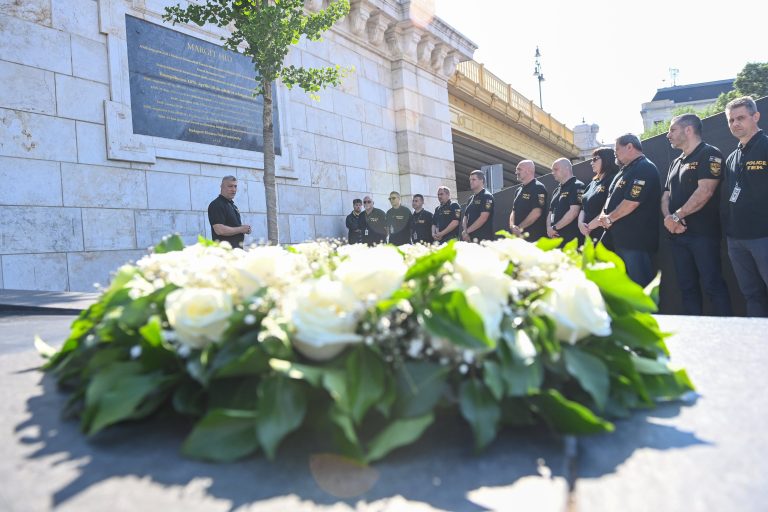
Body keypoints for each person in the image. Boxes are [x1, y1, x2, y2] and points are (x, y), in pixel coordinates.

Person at [662, 113, 732, 316]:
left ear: (688, 130)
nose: (668, 135)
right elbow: (665, 196)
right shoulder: (675, 162)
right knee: (687, 288)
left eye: (672, 130)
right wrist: (669, 219)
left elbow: (705, 191)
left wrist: (676, 216)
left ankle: (727, 335)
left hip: (703, 235)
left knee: (713, 286)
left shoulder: (710, 154)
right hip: (677, 236)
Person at [589, 134, 661, 287]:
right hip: (615, 239)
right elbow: (609, 200)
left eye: (617, 149)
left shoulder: (644, 167)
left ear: (629, 147)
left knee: (638, 288)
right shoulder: (623, 172)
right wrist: (603, 216)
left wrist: (609, 219)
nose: (615, 152)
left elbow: (631, 202)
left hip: (635, 242)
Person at [723, 96, 768, 317]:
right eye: (731, 120)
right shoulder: (732, 157)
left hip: (763, 236)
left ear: (756, 116)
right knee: (751, 294)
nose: (735, 124)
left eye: (740, 118)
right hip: (737, 239)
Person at [579, 148, 619, 249]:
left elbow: (609, 207)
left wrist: (590, 226)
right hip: (587, 235)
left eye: (595, 159)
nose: (591, 162)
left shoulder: (613, 179)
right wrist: (580, 224)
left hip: (604, 235)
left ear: (606, 159)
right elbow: (583, 207)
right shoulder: (592, 183)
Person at [547, 158, 584, 246]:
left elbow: (574, 212)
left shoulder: (578, 186)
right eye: (552, 170)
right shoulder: (556, 190)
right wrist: (549, 229)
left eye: (555, 169)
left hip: (570, 240)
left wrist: (554, 228)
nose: (553, 172)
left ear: (567, 168)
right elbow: (550, 212)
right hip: (554, 238)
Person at [207, 175, 251, 248]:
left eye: (235, 186)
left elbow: (234, 226)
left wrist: (246, 229)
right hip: (224, 254)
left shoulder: (233, 206)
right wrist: (241, 229)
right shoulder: (217, 204)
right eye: (230, 186)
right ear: (222, 187)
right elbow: (219, 230)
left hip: (235, 253)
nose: (233, 189)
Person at [509, 160, 547, 241]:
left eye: (519, 169)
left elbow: (537, 212)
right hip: (518, 238)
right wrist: (512, 226)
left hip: (533, 238)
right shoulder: (518, 190)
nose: (516, 172)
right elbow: (513, 211)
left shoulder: (539, 187)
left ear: (528, 171)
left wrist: (519, 228)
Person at [462, 170, 495, 242]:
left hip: (483, 239)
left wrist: (467, 231)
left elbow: (483, 218)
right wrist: (465, 232)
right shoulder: (471, 198)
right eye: (470, 180)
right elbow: (465, 217)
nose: (471, 181)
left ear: (481, 181)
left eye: (474, 179)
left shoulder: (487, 196)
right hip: (470, 238)